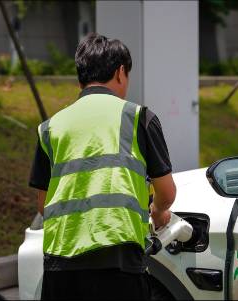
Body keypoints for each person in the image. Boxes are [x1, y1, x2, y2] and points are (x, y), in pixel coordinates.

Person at [29, 33, 176, 300]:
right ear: (120, 72)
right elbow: (166, 193)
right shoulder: (139, 118)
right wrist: (158, 212)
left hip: (61, 266)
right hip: (118, 265)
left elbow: (44, 204)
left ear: (80, 77)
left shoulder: (50, 127)